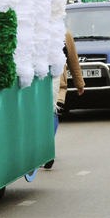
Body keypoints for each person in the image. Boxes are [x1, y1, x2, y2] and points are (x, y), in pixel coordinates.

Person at [45, 29, 84, 169]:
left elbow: (72, 59)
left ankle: (47, 149)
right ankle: (47, 149)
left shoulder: (65, 34)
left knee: (52, 112)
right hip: (38, 81)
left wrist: (79, 82)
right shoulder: (34, 29)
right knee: (51, 114)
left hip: (57, 82)